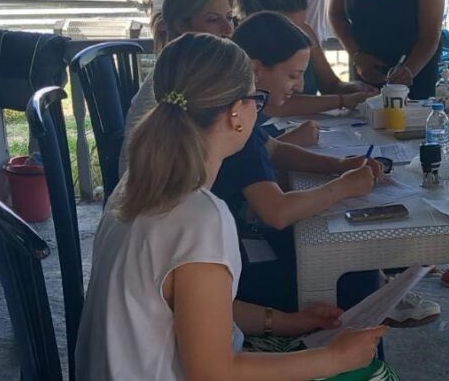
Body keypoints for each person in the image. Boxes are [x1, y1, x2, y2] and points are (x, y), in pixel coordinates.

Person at [77, 32, 386, 380]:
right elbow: (212, 372)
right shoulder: (200, 217)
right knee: (372, 373)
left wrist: (287, 322)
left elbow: (200, 307)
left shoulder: (139, 183)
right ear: (236, 113)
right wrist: (335, 359)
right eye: (256, 98)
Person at [228, 12, 439, 328]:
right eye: (293, 75)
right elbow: (277, 212)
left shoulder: (238, 108)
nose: (301, 86)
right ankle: (350, 352)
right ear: (257, 70)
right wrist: (343, 187)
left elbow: (274, 150)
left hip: (237, 245)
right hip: (235, 274)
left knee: (348, 257)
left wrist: (339, 166)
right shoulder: (235, 121)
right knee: (356, 271)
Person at [124, 0, 236, 167]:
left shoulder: (197, 70)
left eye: (229, 18)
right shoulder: (178, 80)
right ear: (182, 26)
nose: (228, 29)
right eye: (212, 20)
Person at [235, 0, 375, 122]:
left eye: (301, 24)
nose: (299, 34)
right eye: (290, 28)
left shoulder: (306, 33)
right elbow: (272, 105)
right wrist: (342, 100)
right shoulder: (242, 53)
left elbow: (330, 84)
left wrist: (355, 89)